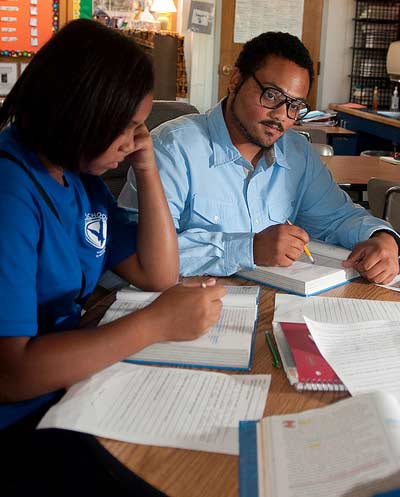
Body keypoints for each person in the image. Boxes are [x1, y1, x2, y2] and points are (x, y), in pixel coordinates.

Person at [0, 19, 225, 497]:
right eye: (125, 127)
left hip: (71, 389)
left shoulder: (77, 178)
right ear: (79, 113)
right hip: (21, 422)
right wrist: (155, 325)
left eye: (139, 126)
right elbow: (12, 374)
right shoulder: (11, 192)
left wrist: (145, 166)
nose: (134, 139)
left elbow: (158, 273)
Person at [119, 31, 399, 285]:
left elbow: (337, 217)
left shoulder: (296, 153)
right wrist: (248, 248)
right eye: (271, 95)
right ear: (236, 80)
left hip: (274, 303)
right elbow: (137, 251)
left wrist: (381, 238)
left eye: (295, 106)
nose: (281, 115)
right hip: (186, 307)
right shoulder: (173, 147)